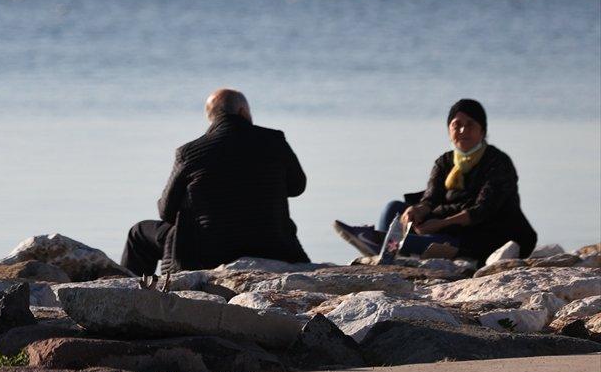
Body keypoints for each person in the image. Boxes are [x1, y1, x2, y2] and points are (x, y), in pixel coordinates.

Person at [120, 88, 309, 276]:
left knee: (138, 233)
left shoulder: (189, 152)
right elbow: (297, 187)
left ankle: (129, 290)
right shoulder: (275, 140)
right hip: (275, 248)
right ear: (243, 111)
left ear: (211, 117)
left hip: (210, 255)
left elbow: (166, 212)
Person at [333, 98, 537, 262]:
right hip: (445, 225)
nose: (463, 130)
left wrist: (439, 224)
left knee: (422, 242)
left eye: (470, 125)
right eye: (457, 125)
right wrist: (417, 210)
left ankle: (381, 245)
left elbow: (482, 210)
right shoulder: (444, 161)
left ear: (482, 131)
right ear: (449, 130)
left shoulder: (498, 162)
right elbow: (431, 198)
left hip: (486, 234)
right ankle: (384, 247)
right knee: (394, 208)